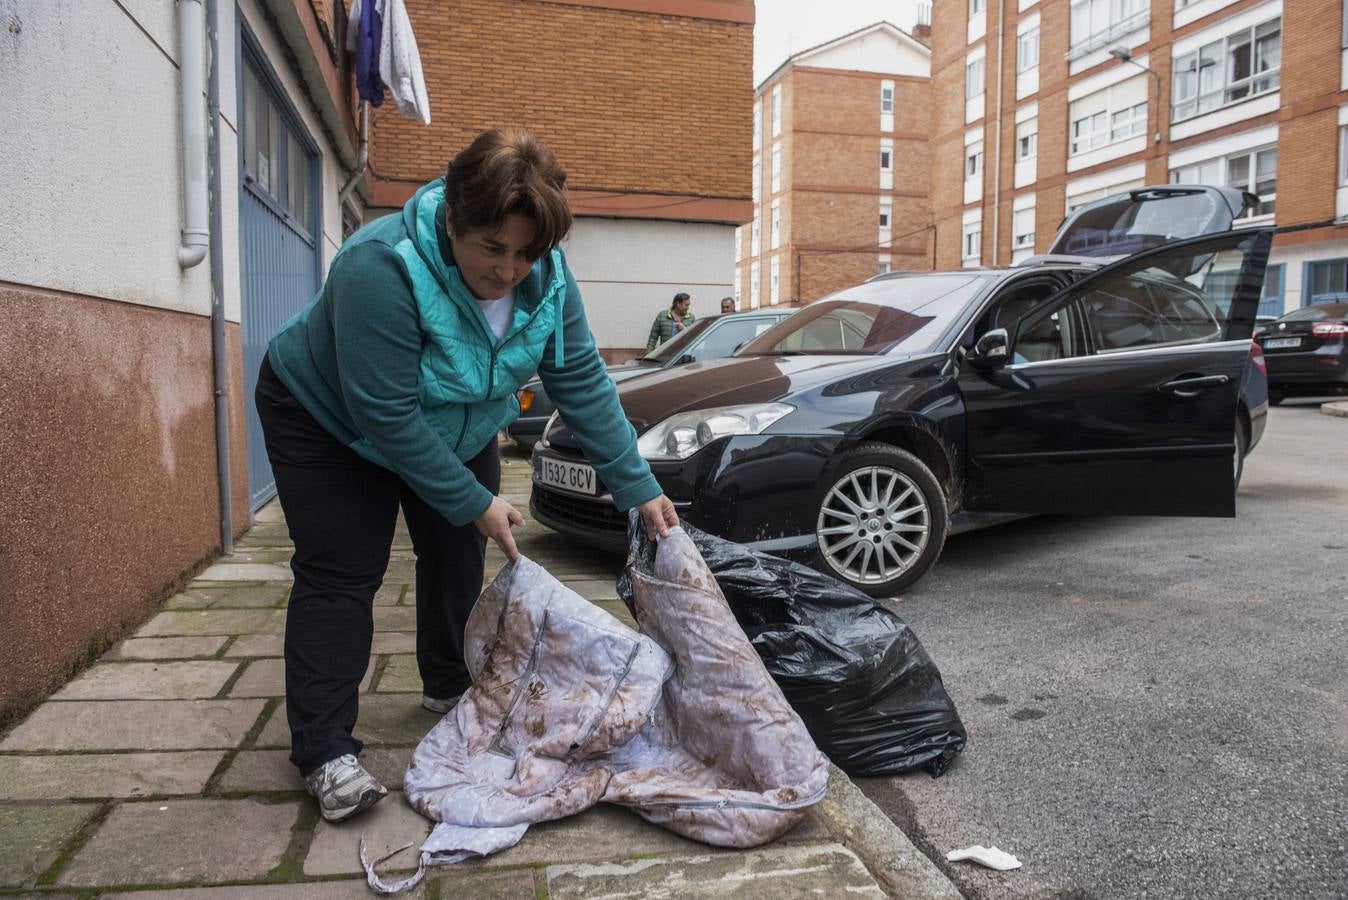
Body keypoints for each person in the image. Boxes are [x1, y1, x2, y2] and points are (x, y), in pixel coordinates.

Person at [256, 127, 678, 823]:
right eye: (491, 247)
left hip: (455, 419)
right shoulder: (380, 267)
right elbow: (384, 412)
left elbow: (579, 378)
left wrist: (637, 486)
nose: (508, 269)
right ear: (454, 219)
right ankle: (325, 749)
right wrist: (471, 496)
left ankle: (448, 686)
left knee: (459, 549)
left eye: (525, 253)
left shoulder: (547, 279)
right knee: (342, 569)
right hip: (330, 418)